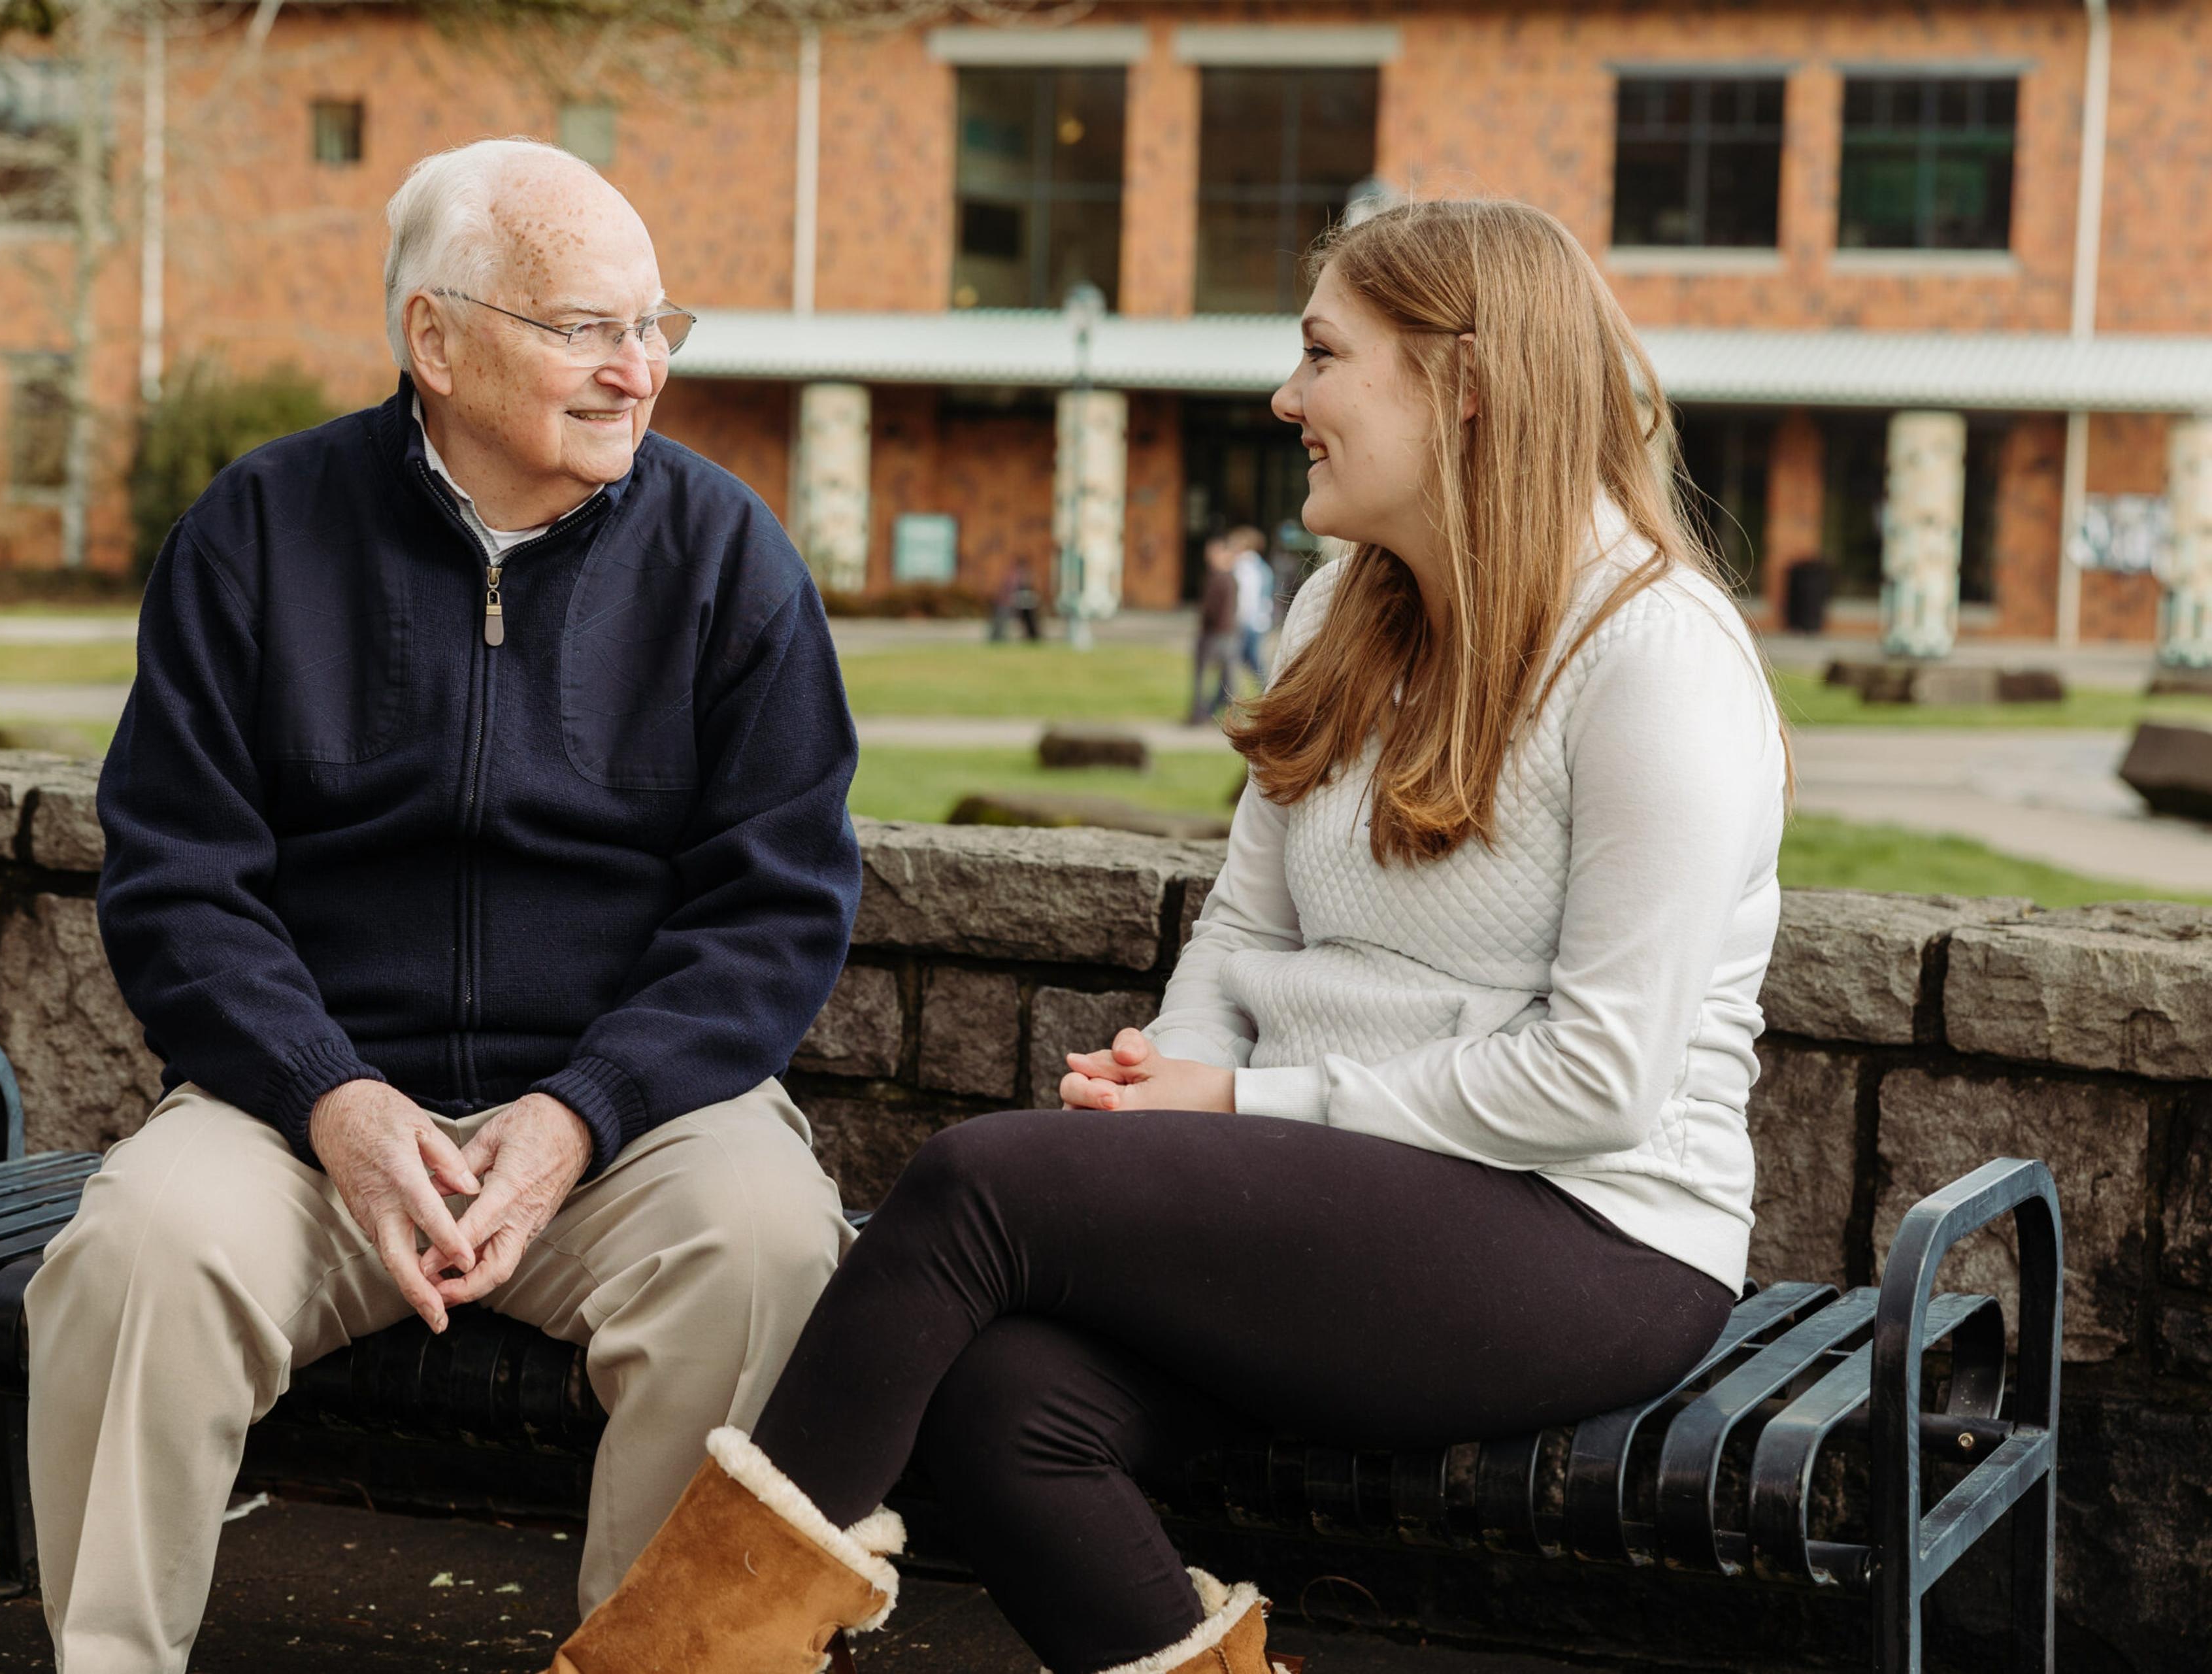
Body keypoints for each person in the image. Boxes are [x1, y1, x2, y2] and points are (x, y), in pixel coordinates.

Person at [548, 198, 1787, 1674]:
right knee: (1007, 1401)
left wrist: (1239, 1105)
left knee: (974, 1186)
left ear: (1461, 382)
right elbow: (1247, 926)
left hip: (1592, 1230)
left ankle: (659, 1668)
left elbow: (1602, 1075)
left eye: (1323, 355)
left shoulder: (1655, 657)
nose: (1286, 398)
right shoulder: (1343, 607)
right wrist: (1169, 1100)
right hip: (1348, 1191)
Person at [27, 138, 865, 1673]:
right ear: (434, 335)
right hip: (315, 1116)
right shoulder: (259, 532)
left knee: (767, 1245)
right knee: (136, 1248)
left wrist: (581, 1108)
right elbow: (176, 879)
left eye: (656, 325)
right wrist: (330, 1095)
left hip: (628, 1126)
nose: (639, 371)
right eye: (588, 328)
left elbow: (776, 905)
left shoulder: (726, 554)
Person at [1186, 533, 1242, 723]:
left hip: (1218, 634)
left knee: (1215, 677)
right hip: (1224, 633)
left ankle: (1203, 714)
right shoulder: (1222, 577)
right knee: (1226, 678)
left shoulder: (1223, 578)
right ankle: (1214, 713)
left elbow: (1216, 610)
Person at [1229, 523, 1275, 688]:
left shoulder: (1244, 566)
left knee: (1247, 661)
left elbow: (1246, 598)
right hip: (1258, 621)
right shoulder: (1261, 567)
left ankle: (1269, 692)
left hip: (1247, 622)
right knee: (1243, 661)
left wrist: (1237, 620)